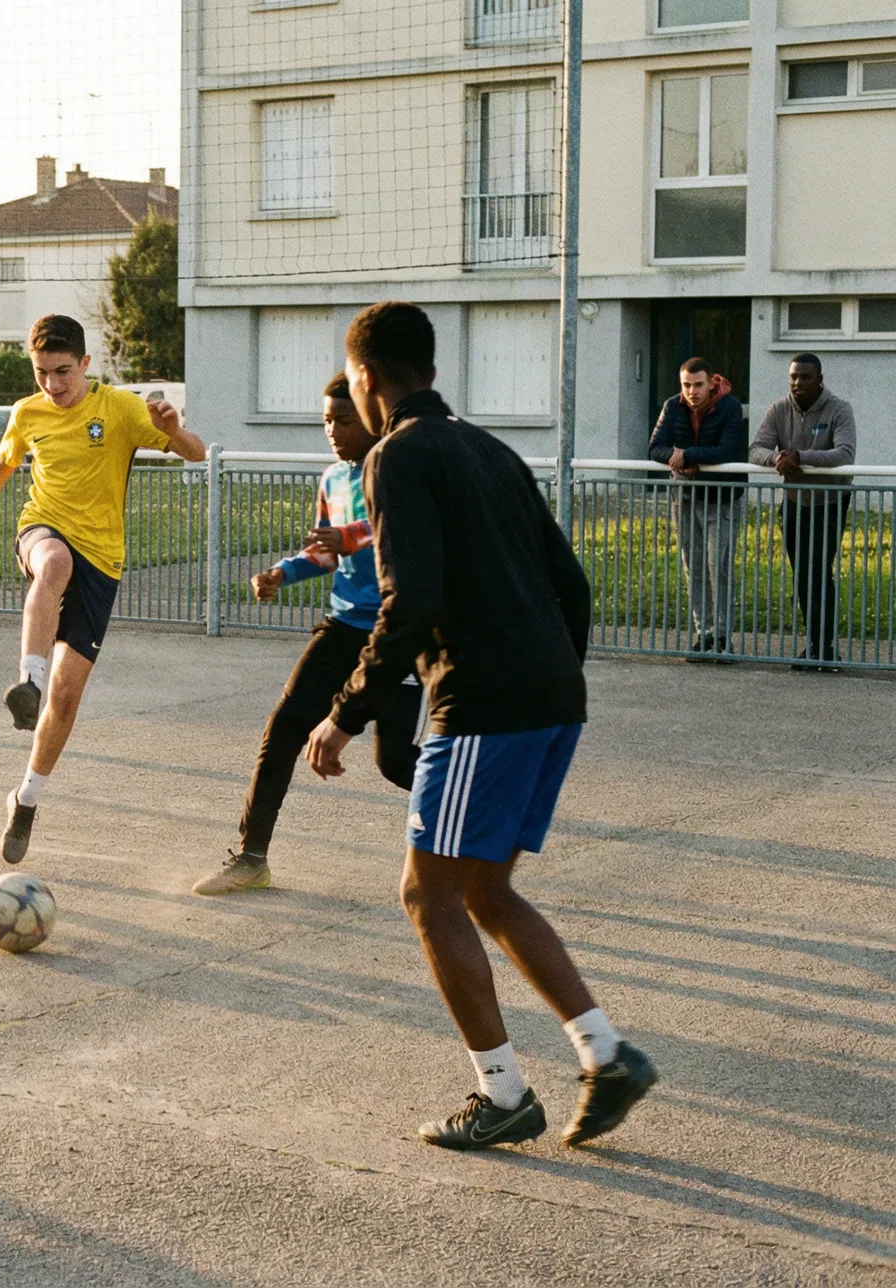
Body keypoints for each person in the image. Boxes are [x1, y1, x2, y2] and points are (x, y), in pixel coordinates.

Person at [305, 301, 656, 1150]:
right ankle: (605, 1054)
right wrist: (551, 673)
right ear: (428, 365)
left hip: (485, 704)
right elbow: (570, 583)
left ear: (367, 377)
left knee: (427, 897)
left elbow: (410, 601)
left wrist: (345, 713)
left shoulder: (395, 456)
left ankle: (501, 1095)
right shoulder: (490, 448)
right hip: (550, 697)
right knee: (486, 891)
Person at [0, 314, 204, 863]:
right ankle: (26, 682)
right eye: (40, 374)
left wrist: (172, 429)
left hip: (103, 558)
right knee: (52, 564)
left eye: (61, 372)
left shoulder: (122, 409)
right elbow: (1, 467)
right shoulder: (27, 413)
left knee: (68, 696)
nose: (52, 385)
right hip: (43, 529)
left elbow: (196, 452)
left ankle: (26, 799)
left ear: (84, 364)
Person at [193, 372, 421, 896]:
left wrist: (347, 537)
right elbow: (325, 551)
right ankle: (251, 858)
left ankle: (476, 809)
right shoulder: (332, 480)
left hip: (398, 631)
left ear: (370, 417)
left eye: (343, 419)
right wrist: (281, 572)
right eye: (326, 420)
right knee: (284, 729)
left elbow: (395, 528)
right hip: (344, 626)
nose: (333, 430)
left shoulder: (397, 470)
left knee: (396, 762)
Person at [751, 353, 857, 672]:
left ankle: (825, 648)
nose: (798, 383)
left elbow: (845, 453)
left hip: (829, 501)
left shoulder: (839, 409)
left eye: (805, 377)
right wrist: (779, 459)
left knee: (820, 573)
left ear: (820, 379)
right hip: (795, 503)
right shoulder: (779, 408)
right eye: (793, 377)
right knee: (802, 575)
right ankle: (812, 644)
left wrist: (801, 456)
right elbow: (756, 448)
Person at [648, 357, 746, 662]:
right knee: (694, 566)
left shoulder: (729, 407)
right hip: (686, 497)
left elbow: (728, 451)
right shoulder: (672, 405)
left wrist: (687, 456)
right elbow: (654, 447)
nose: (691, 391)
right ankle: (703, 635)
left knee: (719, 567)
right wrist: (682, 459)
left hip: (723, 498)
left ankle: (723, 638)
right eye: (686, 385)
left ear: (711, 382)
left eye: (698, 385)